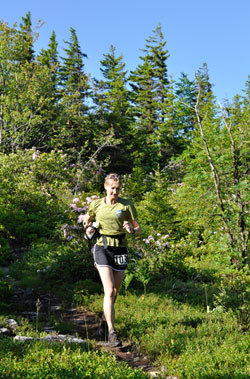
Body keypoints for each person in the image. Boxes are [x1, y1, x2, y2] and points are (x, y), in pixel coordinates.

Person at [83, 173, 141, 347]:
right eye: (112, 188)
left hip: (120, 248)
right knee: (108, 291)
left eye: (117, 188)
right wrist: (89, 227)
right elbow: (87, 220)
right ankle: (112, 333)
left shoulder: (126, 205)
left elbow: (138, 229)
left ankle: (104, 318)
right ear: (106, 187)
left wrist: (130, 228)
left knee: (115, 291)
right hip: (102, 247)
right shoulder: (97, 204)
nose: (115, 191)